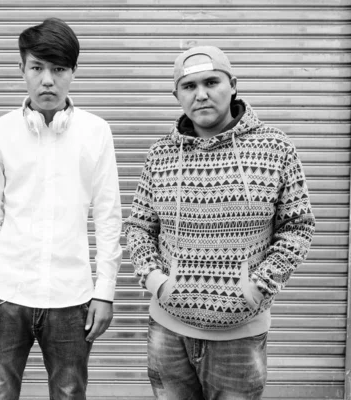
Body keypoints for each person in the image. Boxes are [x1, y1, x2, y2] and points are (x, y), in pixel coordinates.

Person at [124, 46, 315, 400]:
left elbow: (297, 228)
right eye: (189, 86)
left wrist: (257, 287)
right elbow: (139, 227)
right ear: (177, 95)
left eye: (211, 82)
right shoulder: (160, 154)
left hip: (240, 338)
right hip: (168, 333)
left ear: (233, 85)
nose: (201, 94)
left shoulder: (275, 148)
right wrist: (156, 281)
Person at [0, 17, 123, 400]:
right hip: (5, 294)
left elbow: (108, 217)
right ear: (21, 69)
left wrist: (104, 292)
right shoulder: (0, 131)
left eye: (58, 69)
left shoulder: (96, 132)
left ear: (73, 72)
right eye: (37, 68)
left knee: (70, 394)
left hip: (73, 298)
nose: (47, 80)